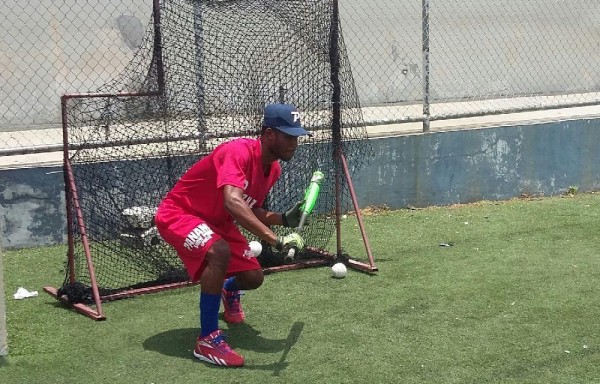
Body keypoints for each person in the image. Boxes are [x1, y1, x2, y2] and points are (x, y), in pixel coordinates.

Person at [155, 103, 310, 367]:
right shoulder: (237, 151)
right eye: (288, 135)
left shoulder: (273, 169)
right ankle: (207, 340)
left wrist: (282, 219)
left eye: (296, 136)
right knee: (220, 252)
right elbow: (232, 202)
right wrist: (275, 240)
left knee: (253, 277)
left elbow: (251, 207)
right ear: (269, 134)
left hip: (218, 221)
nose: (294, 143)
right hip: (180, 214)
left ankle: (228, 291)